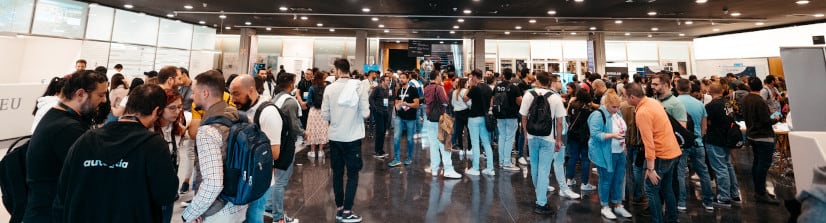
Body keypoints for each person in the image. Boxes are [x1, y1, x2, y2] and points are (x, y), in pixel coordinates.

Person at [52, 84, 177, 223]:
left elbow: (62, 192)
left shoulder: (86, 139)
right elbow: (166, 194)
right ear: (156, 111)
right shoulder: (154, 145)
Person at [25, 70, 108, 222]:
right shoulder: (68, 128)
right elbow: (91, 173)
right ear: (81, 94)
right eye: (101, 95)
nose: (104, 100)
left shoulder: (58, 117)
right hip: (50, 213)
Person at [182, 70, 247, 223]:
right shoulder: (238, 116)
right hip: (239, 202)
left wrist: (190, 214)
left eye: (194, 92)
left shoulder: (208, 130)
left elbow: (213, 183)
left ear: (205, 93)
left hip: (217, 211)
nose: (191, 96)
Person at [228, 75, 285, 223]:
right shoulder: (243, 109)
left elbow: (274, 153)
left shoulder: (268, 113)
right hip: (243, 177)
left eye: (236, 93)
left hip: (259, 179)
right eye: (231, 93)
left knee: (253, 217)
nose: (233, 99)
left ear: (251, 90)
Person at [624, 82, 682, 223]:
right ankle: (672, 219)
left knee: (651, 189)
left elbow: (648, 143)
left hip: (661, 155)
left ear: (632, 97)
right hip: (673, 151)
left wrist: (650, 168)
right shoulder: (653, 102)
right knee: (667, 188)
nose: (624, 99)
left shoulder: (642, 113)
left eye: (625, 96)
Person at [321, 59, 370, 222]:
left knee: (337, 174)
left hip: (335, 137)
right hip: (352, 137)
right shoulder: (359, 86)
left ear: (337, 70)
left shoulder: (329, 88)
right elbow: (365, 114)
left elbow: (325, 115)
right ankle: (347, 212)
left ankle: (340, 208)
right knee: (353, 174)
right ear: (348, 69)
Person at [519, 71, 565, 215]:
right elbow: (559, 122)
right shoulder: (555, 97)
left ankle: (539, 196)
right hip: (548, 137)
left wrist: (526, 134)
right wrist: (558, 139)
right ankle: (541, 202)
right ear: (549, 82)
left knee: (535, 166)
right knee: (544, 169)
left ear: (537, 81)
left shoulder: (528, 94)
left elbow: (524, 117)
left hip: (532, 135)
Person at [588, 90, 632, 220]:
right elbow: (595, 135)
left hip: (619, 152)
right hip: (606, 153)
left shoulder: (617, 113)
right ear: (606, 104)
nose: (617, 109)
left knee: (618, 180)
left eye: (618, 106)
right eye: (614, 107)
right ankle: (605, 206)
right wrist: (612, 135)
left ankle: (618, 204)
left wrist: (623, 145)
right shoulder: (598, 115)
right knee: (606, 180)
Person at [675, 79, 715, 211]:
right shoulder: (699, 104)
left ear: (677, 87)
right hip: (698, 142)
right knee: (704, 173)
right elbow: (704, 127)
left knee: (680, 173)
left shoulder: (675, 103)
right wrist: (699, 138)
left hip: (680, 144)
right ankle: (708, 202)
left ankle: (681, 203)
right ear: (690, 88)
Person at [742, 76, 782, 205]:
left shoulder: (746, 99)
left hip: (752, 135)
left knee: (757, 163)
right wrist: (776, 118)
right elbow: (766, 121)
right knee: (763, 165)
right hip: (763, 136)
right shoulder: (759, 101)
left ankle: (759, 190)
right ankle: (760, 193)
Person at [703, 82, 743, 207]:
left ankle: (724, 197)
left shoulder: (711, 106)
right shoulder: (728, 102)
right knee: (728, 166)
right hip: (727, 138)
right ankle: (734, 194)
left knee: (720, 168)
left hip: (716, 139)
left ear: (710, 90)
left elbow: (706, 122)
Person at [151, 89, 187, 223]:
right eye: (172, 108)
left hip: (168, 188)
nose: (177, 111)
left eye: (179, 107)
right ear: (159, 109)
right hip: (150, 189)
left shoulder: (178, 129)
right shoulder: (149, 130)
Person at [423, 71, 462, 179]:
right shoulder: (439, 88)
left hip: (430, 120)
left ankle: (435, 169)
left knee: (434, 146)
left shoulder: (426, 88)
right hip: (440, 120)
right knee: (445, 146)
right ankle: (448, 170)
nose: (441, 78)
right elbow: (445, 101)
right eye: (440, 76)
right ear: (437, 77)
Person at [464, 69, 495, 176]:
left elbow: (464, 99)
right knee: (486, 143)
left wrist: (470, 86)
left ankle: (476, 168)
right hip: (484, 118)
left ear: (474, 76)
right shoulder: (488, 88)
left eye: (472, 77)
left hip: (473, 118)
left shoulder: (475, 88)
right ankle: (490, 169)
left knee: (475, 143)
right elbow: (491, 103)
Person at [566, 88, 597, 191]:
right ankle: (584, 183)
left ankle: (569, 179)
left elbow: (568, 116)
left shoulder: (572, 106)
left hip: (572, 135)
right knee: (585, 159)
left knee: (572, 157)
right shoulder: (588, 111)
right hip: (584, 137)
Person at [492, 68, 522, 172]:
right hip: (511, 116)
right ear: (511, 76)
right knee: (509, 138)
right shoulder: (514, 88)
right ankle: (507, 162)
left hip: (500, 115)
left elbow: (492, 102)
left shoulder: (497, 87)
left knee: (502, 137)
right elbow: (520, 102)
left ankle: (501, 161)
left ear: (503, 76)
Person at [388, 72, 420, 167]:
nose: (401, 79)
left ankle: (409, 157)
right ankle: (397, 158)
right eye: (400, 78)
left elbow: (417, 104)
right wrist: (397, 105)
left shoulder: (413, 90)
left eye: (403, 78)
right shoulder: (399, 90)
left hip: (410, 118)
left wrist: (406, 104)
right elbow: (397, 102)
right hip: (399, 117)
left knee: (410, 139)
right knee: (396, 137)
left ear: (407, 79)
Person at [306, 71, 329, 158]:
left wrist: (312, 106)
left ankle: (312, 151)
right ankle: (320, 151)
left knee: (312, 130)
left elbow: (308, 101)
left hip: (313, 112)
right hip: (322, 112)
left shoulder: (312, 88)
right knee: (322, 130)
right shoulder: (326, 88)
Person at [369, 75, 392, 159]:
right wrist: (375, 109)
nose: (388, 82)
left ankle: (381, 150)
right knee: (380, 131)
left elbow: (388, 99)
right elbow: (371, 99)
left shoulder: (388, 89)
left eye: (389, 80)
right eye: (387, 80)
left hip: (385, 112)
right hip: (378, 113)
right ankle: (377, 151)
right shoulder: (377, 89)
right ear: (382, 81)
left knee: (383, 132)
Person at [452, 78, 471, 157]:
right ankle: (469, 148)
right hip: (466, 112)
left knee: (459, 131)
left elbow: (452, 103)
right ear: (464, 84)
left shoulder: (454, 92)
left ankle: (461, 148)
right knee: (469, 131)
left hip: (457, 113)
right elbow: (469, 103)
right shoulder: (465, 91)